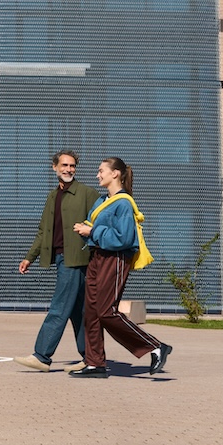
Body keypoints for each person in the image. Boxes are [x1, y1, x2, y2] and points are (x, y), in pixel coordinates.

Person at [68, 156, 171, 379]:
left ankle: (155, 346)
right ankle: (95, 363)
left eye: (101, 171)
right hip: (97, 257)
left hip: (114, 259)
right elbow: (94, 228)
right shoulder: (102, 201)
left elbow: (124, 238)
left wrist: (92, 231)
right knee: (91, 312)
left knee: (106, 311)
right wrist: (85, 229)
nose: (97, 175)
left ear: (115, 174)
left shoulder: (123, 203)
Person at [12, 149, 93, 369]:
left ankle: (42, 356)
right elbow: (44, 231)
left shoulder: (87, 193)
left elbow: (101, 222)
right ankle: (91, 358)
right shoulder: (52, 196)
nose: (69, 169)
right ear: (54, 167)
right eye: (64, 165)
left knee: (59, 307)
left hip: (75, 259)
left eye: (72, 166)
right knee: (78, 311)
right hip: (60, 257)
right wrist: (30, 257)